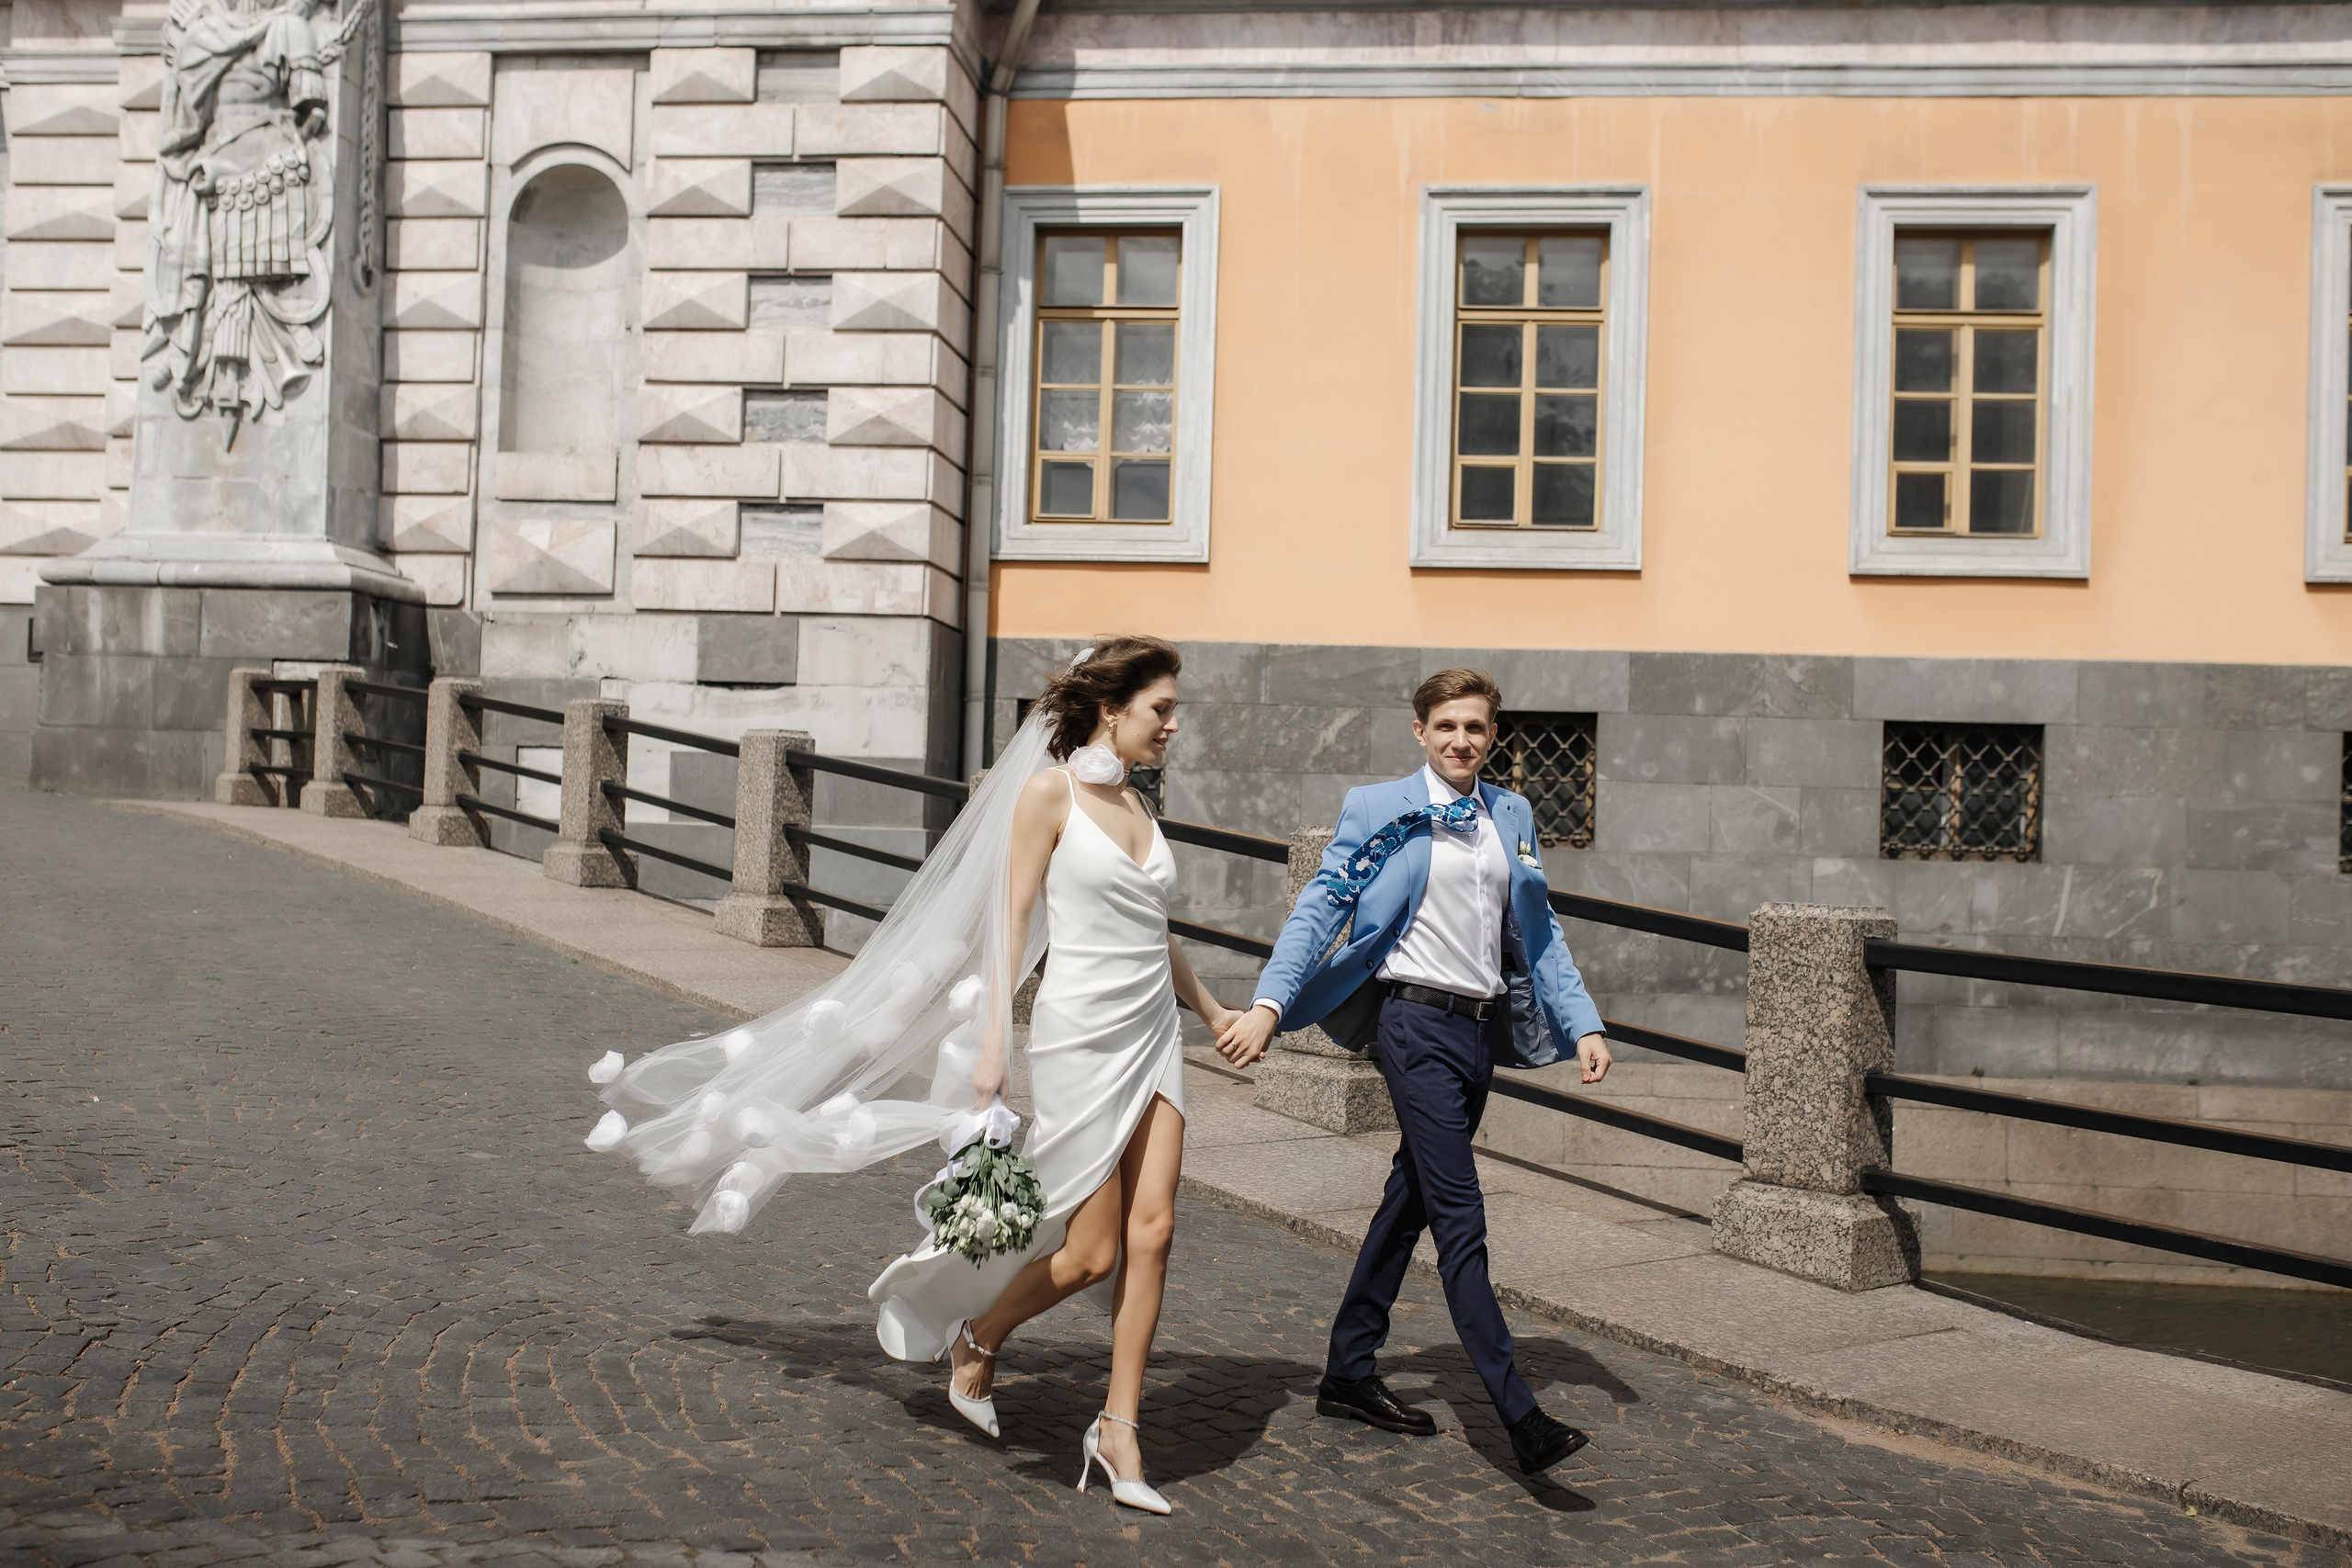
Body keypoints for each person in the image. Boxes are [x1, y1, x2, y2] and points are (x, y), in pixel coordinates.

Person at [588, 636, 1234, 1517]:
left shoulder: (1139, 804)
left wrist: (1213, 1011)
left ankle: (1118, 1427)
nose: (1172, 724)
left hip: (1153, 1029)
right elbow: (1009, 921)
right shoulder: (1051, 794)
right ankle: (978, 1331)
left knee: (1154, 1232)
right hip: (1079, 1033)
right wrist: (995, 1042)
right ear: (1113, 708)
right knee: (1092, 1251)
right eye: (1162, 707)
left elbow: (1154, 926)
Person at [1216, 667, 1613, 1477]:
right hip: (1413, 1024)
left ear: (1493, 735)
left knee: (1413, 1201)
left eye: (1476, 727)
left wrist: (1584, 1023)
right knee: (1460, 1216)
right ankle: (1520, 1415)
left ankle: (1349, 1370)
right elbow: (1322, 907)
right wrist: (1268, 1003)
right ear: (1420, 732)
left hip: (1478, 1033)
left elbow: (1540, 932)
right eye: (1446, 727)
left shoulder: (1511, 813)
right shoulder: (1380, 807)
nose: (1461, 740)